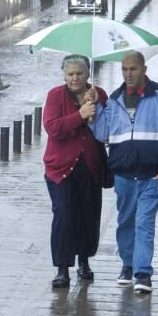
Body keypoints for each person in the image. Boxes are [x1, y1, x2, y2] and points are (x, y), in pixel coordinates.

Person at [85, 51, 158, 294]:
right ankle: (128, 266)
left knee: (144, 222)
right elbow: (102, 133)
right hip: (123, 176)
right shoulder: (115, 99)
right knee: (126, 221)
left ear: (144, 70)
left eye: (133, 69)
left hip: (152, 176)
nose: (128, 74)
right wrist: (93, 109)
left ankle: (143, 273)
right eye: (124, 69)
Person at [43, 55, 108, 289]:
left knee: (88, 216)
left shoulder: (98, 94)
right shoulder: (55, 96)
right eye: (70, 74)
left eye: (79, 73)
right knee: (64, 215)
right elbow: (53, 128)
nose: (74, 78)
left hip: (89, 166)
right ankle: (62, 268)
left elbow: (106, 129)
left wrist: (96, 108)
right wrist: (79, 115)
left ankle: (84, 261)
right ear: (64, 75)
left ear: (87, 74)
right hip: (60, 168)